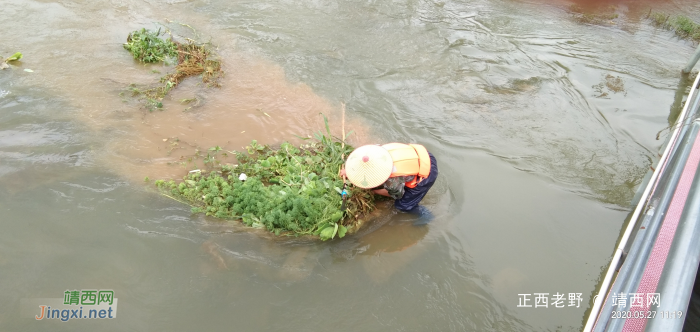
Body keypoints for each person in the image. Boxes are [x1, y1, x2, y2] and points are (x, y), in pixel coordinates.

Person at [340, 143, 438, 212]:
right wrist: (349, 171)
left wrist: (372, 191)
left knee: (402, 206)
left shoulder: (391, 180)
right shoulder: (375, 151)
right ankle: (408, 178)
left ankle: (425, 216)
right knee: (403, 181)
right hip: (420, 155)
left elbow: (396, 195)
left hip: (427, 172)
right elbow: (364, 162)